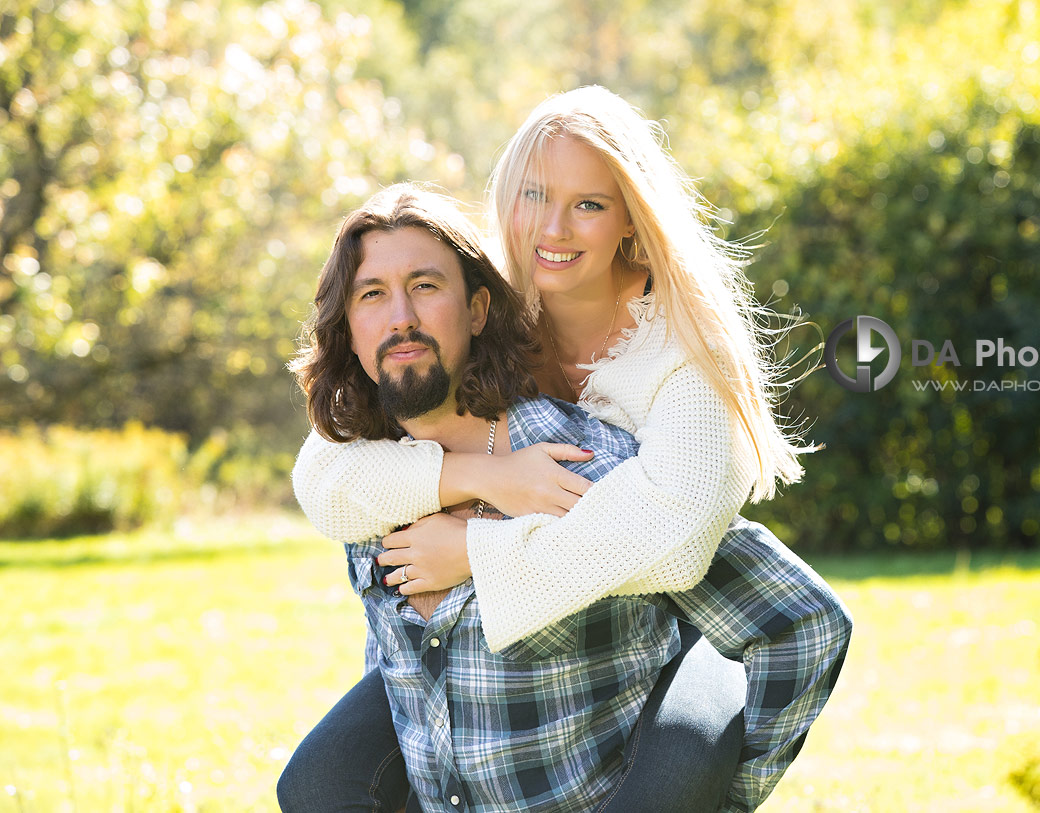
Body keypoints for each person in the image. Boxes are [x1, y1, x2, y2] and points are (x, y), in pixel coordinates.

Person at [279, 184, 850, 812]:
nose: (400, 317)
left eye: (425, 286)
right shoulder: (359, 477)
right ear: (348, 330)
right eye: (372, 295)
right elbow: (396, 666)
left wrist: (717, 799)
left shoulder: (575, 462)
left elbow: (802, 621)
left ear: (476, 311)